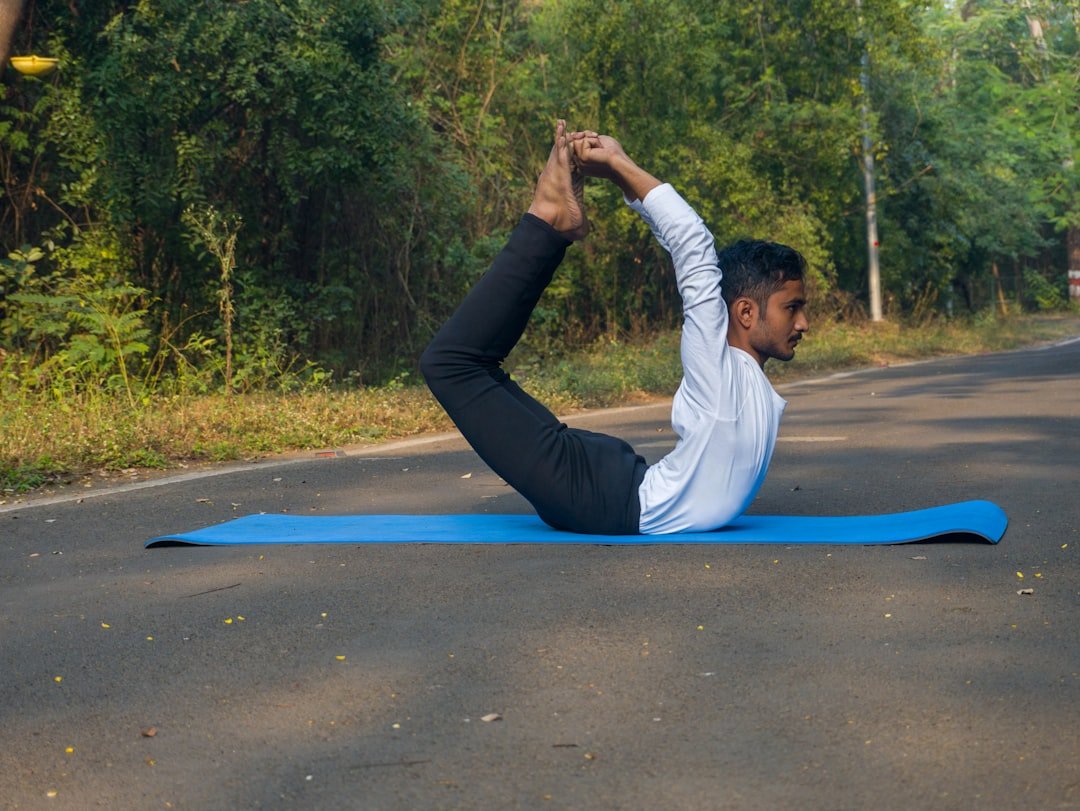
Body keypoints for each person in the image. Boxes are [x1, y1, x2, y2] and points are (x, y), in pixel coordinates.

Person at [420, 120, 809, 535]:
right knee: (452, 365)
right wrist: (621, 166)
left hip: (611, 484)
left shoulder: (744, 377)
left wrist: (622, 178)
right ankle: (547, 220)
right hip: (595, 495)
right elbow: (692, 243)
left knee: (474, 369)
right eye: (793, 308)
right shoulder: (716, 365)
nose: (803, 323)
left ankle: (553, 225)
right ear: (745, 313)